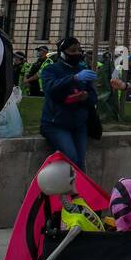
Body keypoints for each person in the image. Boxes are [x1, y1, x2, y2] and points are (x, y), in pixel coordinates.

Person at [39, 35, 97, 170]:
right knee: (71, 158)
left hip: (78, 125)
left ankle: (78, 191)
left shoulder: (82, 70)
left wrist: (85, 97)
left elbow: (93, 97)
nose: (77, 53)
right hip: (56, 124)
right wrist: (74, 78)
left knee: (80, 163)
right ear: (62, 53)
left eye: (79, 50)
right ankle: (63, 189)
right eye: (72, 50)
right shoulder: (51, 70)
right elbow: (50, 88)